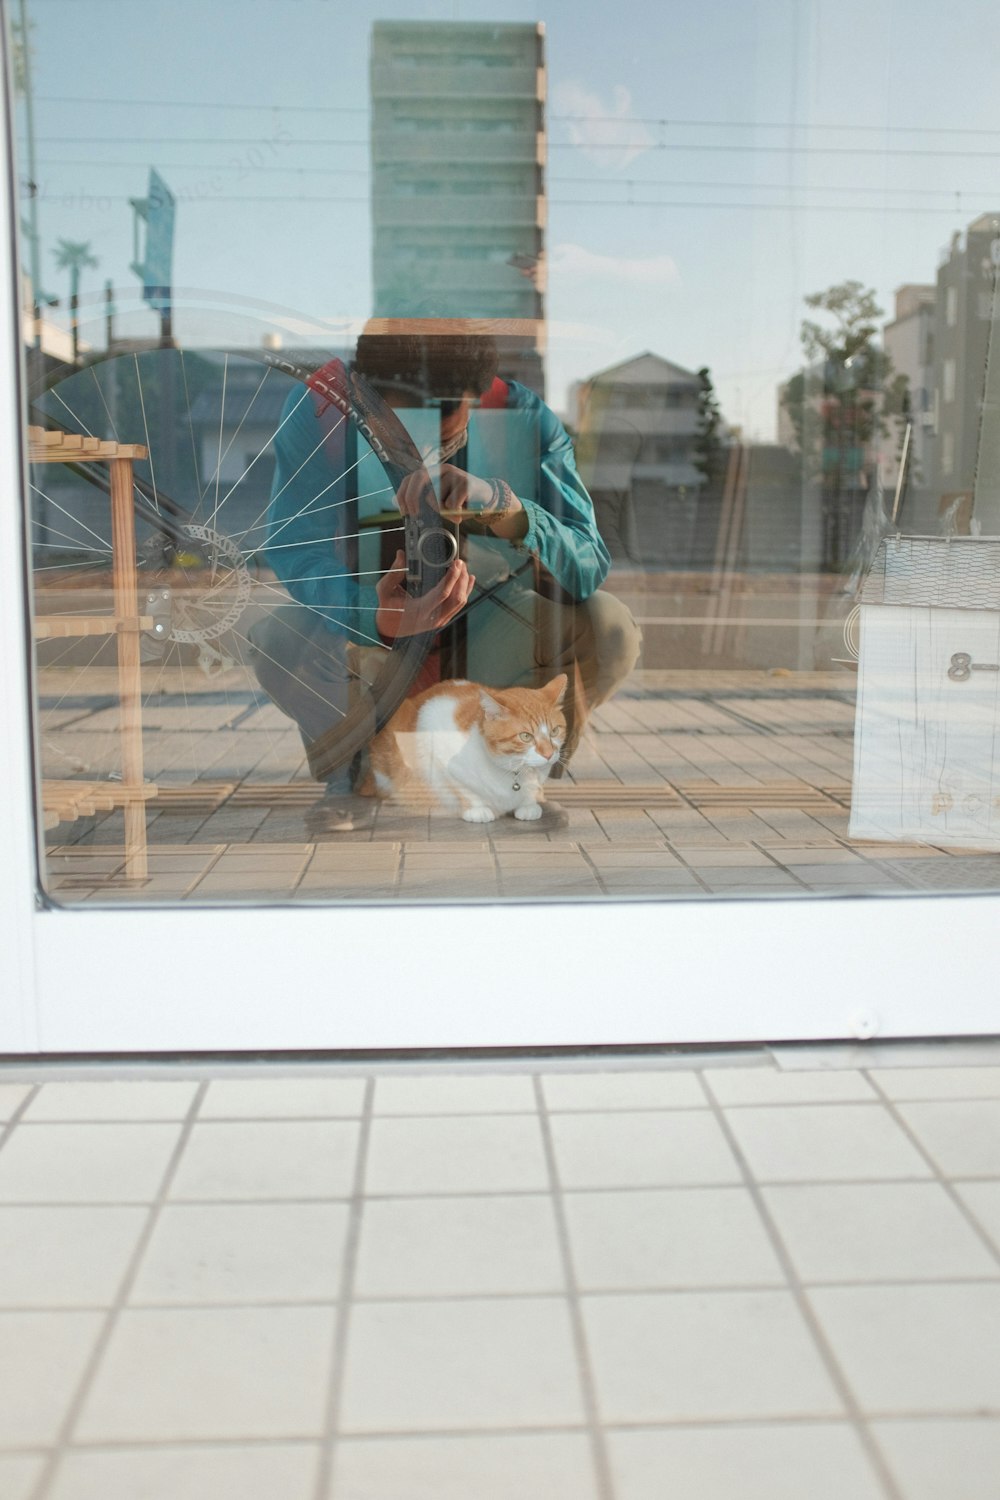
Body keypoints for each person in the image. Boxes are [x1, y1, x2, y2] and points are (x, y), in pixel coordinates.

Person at [249, 320, 640, 830]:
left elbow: (587, 563)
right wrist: (374, 614)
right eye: (399, 413)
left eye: (444, 411)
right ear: (366, 393)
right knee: (277, 637)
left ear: (480, 395)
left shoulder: (521, 416)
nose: (421, 430)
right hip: (374, 625)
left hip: (490, 617)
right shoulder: (324, 409)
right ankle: (356, 772)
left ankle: (514, 776)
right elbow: (295, 546)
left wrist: (506, 507)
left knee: (609, 627)